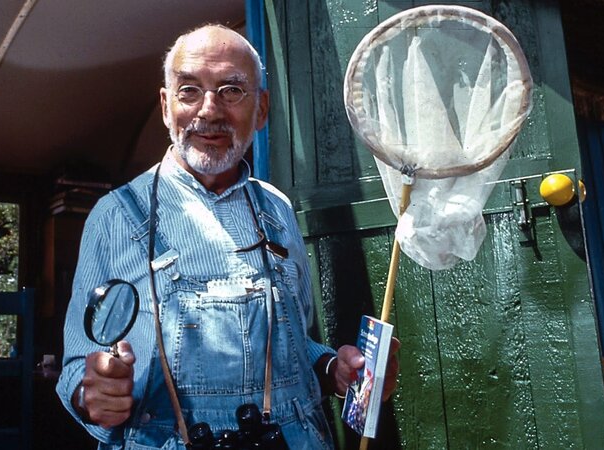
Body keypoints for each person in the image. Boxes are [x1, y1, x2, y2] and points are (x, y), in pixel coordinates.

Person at [57, 24, 400, 449]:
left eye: (231, 90)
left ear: (261, 109)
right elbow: (76, 367)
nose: (208, 111)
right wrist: (92, 394)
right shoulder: (114, 217)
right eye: (189, 91)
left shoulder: (276, 210)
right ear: (166, 107)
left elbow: (293, 342)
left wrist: (333, 369)